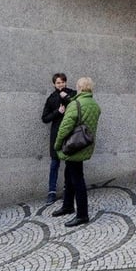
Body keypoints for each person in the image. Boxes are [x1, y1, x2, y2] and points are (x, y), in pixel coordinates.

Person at [51, 76, 101, 227]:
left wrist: (57, 145)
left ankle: (82, 214)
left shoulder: (75, 104)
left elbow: (64, 128)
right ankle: (67, 206)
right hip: (85, 144)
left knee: (77, 179)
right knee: (69, 175)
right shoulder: (94, 104)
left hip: (73, 146)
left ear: (79, 88)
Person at [41, 73, 76, 204]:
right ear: (54, 84)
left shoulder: (72, 93)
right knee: (54, 163)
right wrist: (57, 112)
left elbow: (78, 107)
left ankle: (68, 188)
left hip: (70, 133)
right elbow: (44, 118)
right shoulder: (51, 98)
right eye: (58, 82)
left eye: (62, 82)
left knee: (70, 162)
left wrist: (66, 97)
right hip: (56, 134)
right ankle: (52, 192)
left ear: (66, 82)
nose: (60, 84)